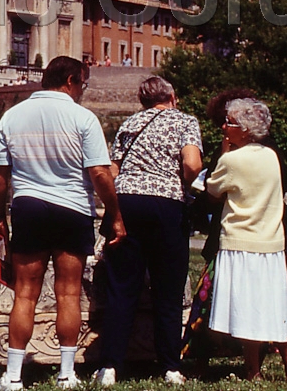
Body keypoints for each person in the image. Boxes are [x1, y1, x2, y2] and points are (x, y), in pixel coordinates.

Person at [0, 56, 125, 391]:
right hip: (73, 209)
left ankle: (13, 375)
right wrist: (114, 212)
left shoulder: (13, 116)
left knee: (24, 295)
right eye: (83, 84)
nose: (82, 91)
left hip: (29, 207)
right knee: (68, 293)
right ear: (70, 80)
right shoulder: (83, 118)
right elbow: (99, 173)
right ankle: (66, 373)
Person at [182, 89, 287, 381]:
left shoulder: (232, 160)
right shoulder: (271, 156)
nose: (223, 127)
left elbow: (211, 191)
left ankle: (253, 370)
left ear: (244, 129)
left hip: (240, 241)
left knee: (248, 309)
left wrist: (224, 155)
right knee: (276, 306)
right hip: (272, 241)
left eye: (229, 122)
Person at [96, 76, 203, 386]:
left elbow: (112, 169)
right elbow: (193, 164)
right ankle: (170, 366)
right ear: (171, 96)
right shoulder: (184, 121)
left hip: (127, 203)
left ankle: (110, 366)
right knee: (168, 289)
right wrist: (180, 178)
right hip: (167, 204)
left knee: (122, 287)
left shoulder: (129, 123)